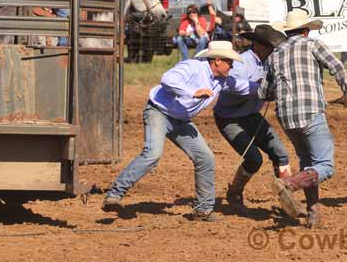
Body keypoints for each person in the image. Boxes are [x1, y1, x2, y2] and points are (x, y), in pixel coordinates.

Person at [102, 41, 247, 221]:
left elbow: (244, 87)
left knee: (205, 157)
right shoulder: (193, 66)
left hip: (181, 120)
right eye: (229, 62)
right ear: (217, 61)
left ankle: (204, 210)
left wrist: (267, 90)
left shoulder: (222, 80)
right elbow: (168, 80)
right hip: (158, 112)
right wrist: (193, 92)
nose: (231, 67)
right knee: (152, 154)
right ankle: (114, 194)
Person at [259, 10, 347, 228]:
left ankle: (314, 214)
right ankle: (289, 184)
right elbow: (337, 67)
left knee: (308, 163)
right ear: (305, 31)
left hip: (286, 117)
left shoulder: (275, 55)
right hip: (310, 113)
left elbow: (264, 92)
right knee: (325, 166)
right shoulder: (313, 45)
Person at [213, 25, 291, 212]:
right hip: (229, 117)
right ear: (258, 45)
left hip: (251, 115)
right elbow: (232, 86)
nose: (273, 49)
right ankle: (235, 192)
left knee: (280, 153)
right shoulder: (241, 62)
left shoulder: (269, 62)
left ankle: (289, 197)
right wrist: (262, 90)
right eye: (270, 45)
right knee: (254, 159)